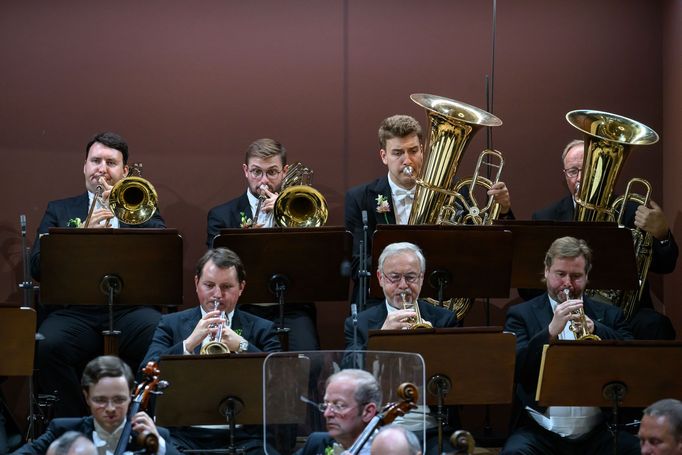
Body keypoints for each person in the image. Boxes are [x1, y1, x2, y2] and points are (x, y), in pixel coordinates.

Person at [29, 131, 166, 417]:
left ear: (125, 171)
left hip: (131, 310)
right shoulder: (59, 210)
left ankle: (142, 421)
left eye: (110, 162)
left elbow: (163, 255)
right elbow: (38, 266)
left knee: (161, 336)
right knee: (47, 345)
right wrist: (82, 234)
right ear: (84, 166)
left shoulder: (142, 207)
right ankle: (76, 423)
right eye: (95, 161)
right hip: (76, 312)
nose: (102, 169)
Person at [344, 115, 513, 307]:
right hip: (379, 304)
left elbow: (482, 250)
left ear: (422, 151)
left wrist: (503, 209)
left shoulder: (455, 193)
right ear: (384, 156)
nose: (407, 160)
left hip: (438, 302)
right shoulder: (360, 198)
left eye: (413, 151)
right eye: (398, 153)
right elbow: (357, 266)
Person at [501, 236, 640, 455]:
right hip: (540, 431)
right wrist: (549, 332)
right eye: (560, 274)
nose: (567, 283)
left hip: (598, 431)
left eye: (576, 276)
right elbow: (517, 370)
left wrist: (597, 329)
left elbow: (634, 360)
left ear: (587, 275)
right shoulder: (521, 315)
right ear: (546, 271)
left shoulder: (609, 314)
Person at [531, 139, 678, 340]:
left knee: (657, 325)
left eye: (587, 169)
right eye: (573, 171)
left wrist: (662, 235)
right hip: (568, 305)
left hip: (624, 311)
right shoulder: (546, 217)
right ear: (565, 176)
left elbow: (665, 265)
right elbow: (530, 282)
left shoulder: (631, 210)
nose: (580, 177)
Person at [140, 247, 280, 454]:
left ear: (241, 287)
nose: (217, 295)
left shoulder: (262, 328)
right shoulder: (171, 324)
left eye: (226, 287)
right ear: (196, 284)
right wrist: (188, 344)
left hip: (245, 437)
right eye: (209, 285)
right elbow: (145, 373)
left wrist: (243, 346)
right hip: (184, 435)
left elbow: (282, 378)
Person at [344, 242, 459, 454]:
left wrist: (435, 344)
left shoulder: (444, 319)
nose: (403, 285)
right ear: (380, 279)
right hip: (378, 424)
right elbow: (350, 370)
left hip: (431, 426)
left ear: (422, 278)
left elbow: (458, 377)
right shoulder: (360, 322)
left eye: (411, 277)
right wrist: (382, 337)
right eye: (394, 277)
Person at [206, 138, 319, 351]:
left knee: (309, 364)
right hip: (244, 307)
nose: (264, 181)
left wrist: (285, 214)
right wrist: (248, 242)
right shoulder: (221, 215)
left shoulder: (301, 209)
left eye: (272, 172)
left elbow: (314, 257)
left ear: (285, 171)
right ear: (245, 171)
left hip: (292, 307)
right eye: (257, 172)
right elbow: (214, 268)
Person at [13, 356, 179, 455]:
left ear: (130, 396)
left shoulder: (153, 437)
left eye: (119, 399)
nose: (110, 408)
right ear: (87, 397)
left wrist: (160, 445)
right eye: (100, 400)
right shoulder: (63, 431)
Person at [296, 369, 381, 455]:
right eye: (325, 405)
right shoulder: (317, 443)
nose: (327, 414)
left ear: (368, 412)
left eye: (339, 406)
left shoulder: (387, 449)